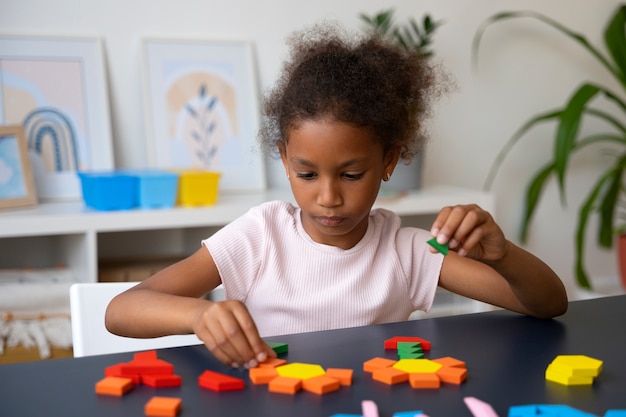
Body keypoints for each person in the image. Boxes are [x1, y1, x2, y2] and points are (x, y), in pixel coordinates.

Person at [105, 22, 567, 370]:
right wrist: (197, 315)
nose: (328, 197)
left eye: (351, 174)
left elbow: (547, 303)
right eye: (306, 173)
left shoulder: (405, 250)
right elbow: (120, 310)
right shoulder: (259, 236)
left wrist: (502, 254)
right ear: (284, 160)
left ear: (389, 161)